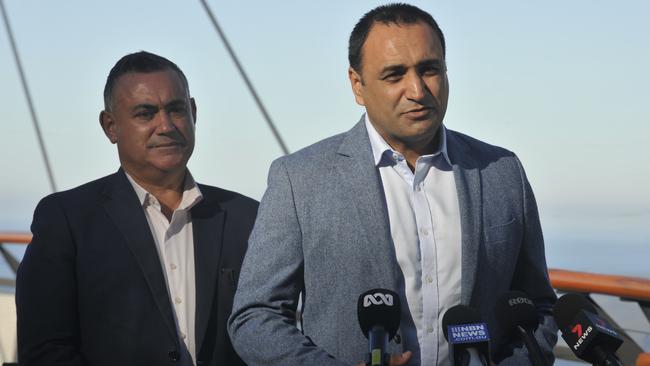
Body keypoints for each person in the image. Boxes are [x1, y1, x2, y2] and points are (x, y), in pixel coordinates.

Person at [228, 3, 556, 366]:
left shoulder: (501, 171)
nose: (417, 89)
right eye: (394, 74)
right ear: (358, 85)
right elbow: (255, 317)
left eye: (429, 69)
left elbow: (539, 306)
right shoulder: (299, 179)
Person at [16, 51, 258, 366]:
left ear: (194, 113)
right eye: (146, 114)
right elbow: (45, 350)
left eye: (176, 109)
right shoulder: (67, 219)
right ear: (110, 126)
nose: (166, 125)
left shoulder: (248, 217)